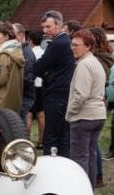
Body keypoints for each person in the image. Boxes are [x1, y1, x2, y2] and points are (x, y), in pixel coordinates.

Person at [65, 29, 106, 187]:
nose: (72, 48)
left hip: (84, 116)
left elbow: (80, 94)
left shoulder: (84, 65)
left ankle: (81, 191)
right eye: (72, 45)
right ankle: (89, 187)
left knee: (80, 157)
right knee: (90, 154)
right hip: (97, 115)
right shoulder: (95, 62)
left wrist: (70, 113)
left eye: (76, 45)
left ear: (88, 46)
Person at [34, 10, 75, 157]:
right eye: (43, 27)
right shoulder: (63, 41)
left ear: (59, 25)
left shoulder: (59, 43)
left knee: (52, 136)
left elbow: (38, 68)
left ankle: (53, 168)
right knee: (62, 134)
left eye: (48, 27)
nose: (45, 31)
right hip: (61, 93)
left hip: (57, 95)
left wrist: (46, 71)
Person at [89, 27, 114, 187]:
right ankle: (97, 175)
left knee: (93, 141)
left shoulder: (97, 59)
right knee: (93, 140)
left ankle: (97, 175)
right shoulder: (105, 57)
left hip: (96, 98)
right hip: (101, 98)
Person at [13, 23, 36, 129]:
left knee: (21, 126)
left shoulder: (26, 53)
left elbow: (27, 78)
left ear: (21, 35)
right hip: (20, 95)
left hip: (24, 96)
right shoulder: (19, 50)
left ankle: (22, 144)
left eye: (12, 35)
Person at [28, 31, 45, 148]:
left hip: (31, 85)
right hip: (41, 86)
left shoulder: (29, 53)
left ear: (30, 40)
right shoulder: (44, 52)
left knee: (28, 114)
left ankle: (26, 141)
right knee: (41, 115)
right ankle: (41, 141)